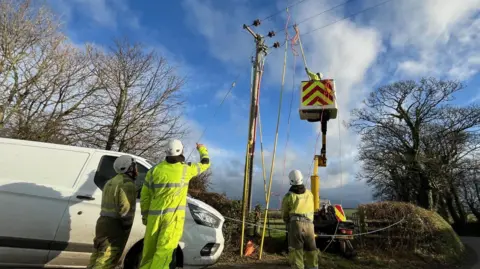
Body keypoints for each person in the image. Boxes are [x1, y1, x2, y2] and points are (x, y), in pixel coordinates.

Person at [139, 139, 210, 269]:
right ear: (181, 151)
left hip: (153, 218)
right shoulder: (186, 169)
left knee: (148, 253)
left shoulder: (153, 170)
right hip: (172, 220)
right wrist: (202, 149)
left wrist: (145, 216)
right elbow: (205, 163)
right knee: (164, 253)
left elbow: (145, 197)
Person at [88, 155, 138, 269]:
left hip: (102, 223)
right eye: (134, 166)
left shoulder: (110, 181)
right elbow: (126, 210)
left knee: (96, 256)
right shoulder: (127, 183)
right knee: (106, 259)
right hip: (114, 227)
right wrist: (127, 227)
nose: (136, 169)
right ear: (129, 167)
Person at [281, 169, 318, 269]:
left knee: (296, 251)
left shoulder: (289, 196)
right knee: (311, 250)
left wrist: (287, 221)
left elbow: (284, 212)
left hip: (296, 225)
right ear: (301, 178)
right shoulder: (310, 194)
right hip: (310, 225)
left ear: (291, 181)